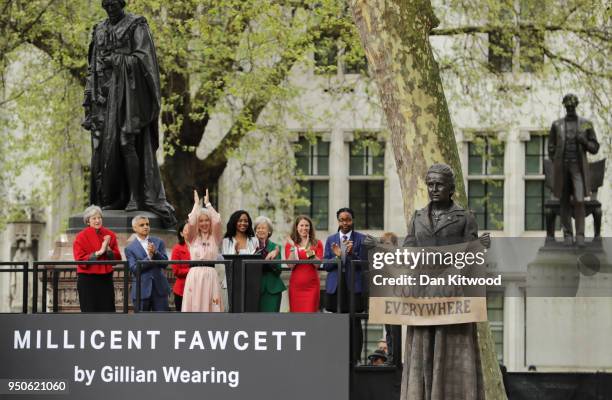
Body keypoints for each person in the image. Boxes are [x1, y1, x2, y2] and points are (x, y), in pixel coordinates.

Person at [82, 0, 176, 227]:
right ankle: (111, 198)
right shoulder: (100, 29)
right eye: (107, 4)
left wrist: (117, 60)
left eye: (114, 4)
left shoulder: (136, 25)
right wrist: (91, 95)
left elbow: (144, 60)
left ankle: (136, 196)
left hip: (128, 96)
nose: (110, 8)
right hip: (104, 99)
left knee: (127, 142)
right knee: (103, 149)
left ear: (122, 3)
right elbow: (92, 67)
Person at [401, 163, 483, 400]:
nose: (434, 189)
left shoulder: (466, 218)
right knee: (422, 348)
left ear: (451, 188)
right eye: (430, 184)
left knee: (452, 350)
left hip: (453, 296)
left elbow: (472, 255)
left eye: (439, 184)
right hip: (424, 295)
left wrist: (451, 276)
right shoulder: (417, 218)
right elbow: (409, 249)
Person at [548, 93, 599, 247]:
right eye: (567, 105)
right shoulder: (557, 124)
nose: (570, 107)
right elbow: (551, 147)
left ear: (576, 105)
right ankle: (567, 234)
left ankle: (580, 234)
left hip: (577, 166)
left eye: (572, 105)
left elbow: (595, 147)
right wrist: (556, 161)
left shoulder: (585, 124)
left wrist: (583, 141)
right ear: (564, 106)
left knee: (579, 199)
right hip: (562, 166)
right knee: (564, 200)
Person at [323, 207, 367, 362]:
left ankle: (355, 358)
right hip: (336, 287)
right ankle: (336, 357)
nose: (345, 223)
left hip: (353, 287)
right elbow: (326, 266)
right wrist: (337, 257)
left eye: (348, 219)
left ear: (352, 220)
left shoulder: (361, 239)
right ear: (338, 221)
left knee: (354, 322)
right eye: (342, 220)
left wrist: (351, 254)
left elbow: (364, 265)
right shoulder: (331, 239)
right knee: (337, 322)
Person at [181, 189, 224, 312]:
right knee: (194, 306)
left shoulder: (215, 237)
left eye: (207, 220)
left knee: (212, 306)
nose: (204, 223)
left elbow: (218, 221)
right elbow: (191, 222)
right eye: (201, 221)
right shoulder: (192, 238)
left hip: (210, 275)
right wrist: (196, 206)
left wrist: (208, 204)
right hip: (195, 275)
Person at [73, 205, 121, 312]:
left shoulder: (110, 234)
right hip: (87, 279)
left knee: (108, 310)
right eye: (94, 218)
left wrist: (108, 250)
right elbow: (79, 259)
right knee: (89, 310)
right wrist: (98, 253)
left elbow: (117, 258)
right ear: (88, 221)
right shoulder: (80, 237)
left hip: (105, 279)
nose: (97, 220)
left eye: (99, 218)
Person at [125, 215, 170, 311]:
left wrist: (156, 253)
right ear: (135, 228)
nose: (146, 226)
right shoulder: (129, 248)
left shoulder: (158, 242)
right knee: (142, 323)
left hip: (160, 289)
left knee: (162, 322)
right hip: (141, 290)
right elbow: (134, 269)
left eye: (147, 224)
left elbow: (165, 263)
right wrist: (149, 257)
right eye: (142, 225)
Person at [285, 215, 323, 312]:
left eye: (307, 225)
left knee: (310, 316)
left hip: (312, 286)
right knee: (296, 317)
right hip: (296, 286)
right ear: (296, 227)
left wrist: (307, 249)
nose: (304, 228)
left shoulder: (317, 243)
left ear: (310, 228)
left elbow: (317, 265)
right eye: (301, 225)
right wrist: (293, 247)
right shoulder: (290, 244)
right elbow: (290, 265)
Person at [253, 216, 286, 312]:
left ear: (269, 231)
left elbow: (278, 270)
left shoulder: (276, 247)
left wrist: (270, 260)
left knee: (272, 321)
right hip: (256, 289)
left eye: (263, 228)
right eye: (258, 228)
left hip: (273, 290)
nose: (260, 230)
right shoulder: (251, 247)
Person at [170, 221, 190, 311]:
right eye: (187, 230)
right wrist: (193, 270)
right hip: (182, 289)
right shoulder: (177, 248)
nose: (190, 232)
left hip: (198, 288)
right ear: (181, 233)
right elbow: (176, 271)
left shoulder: (199, 247)